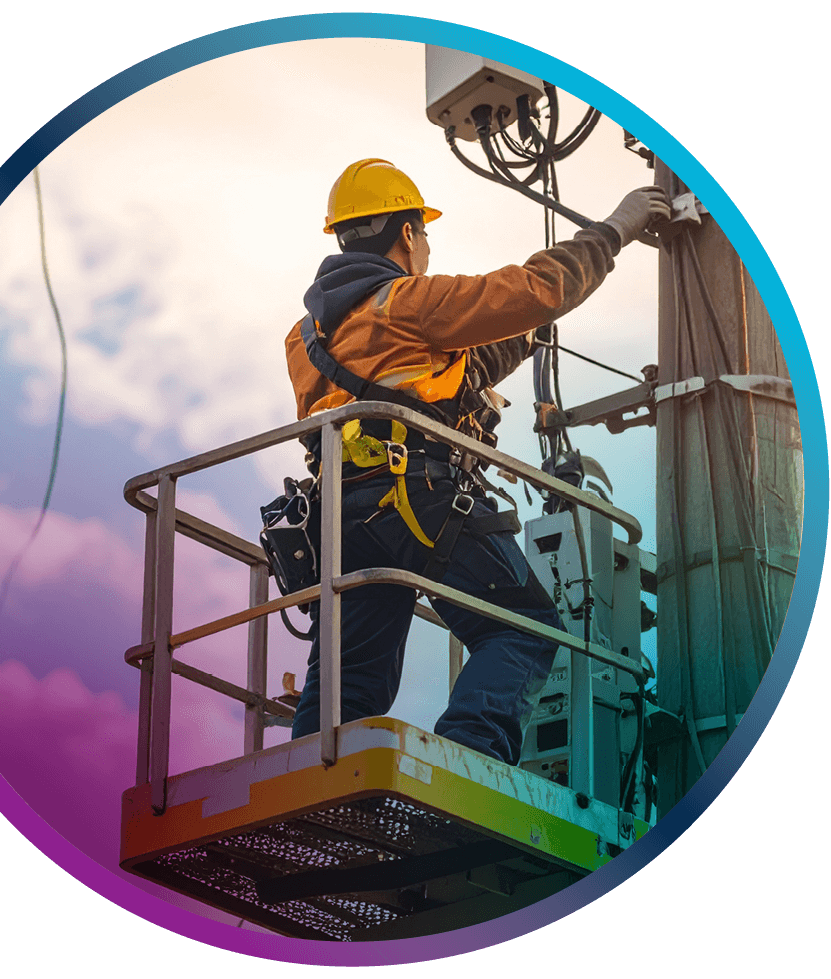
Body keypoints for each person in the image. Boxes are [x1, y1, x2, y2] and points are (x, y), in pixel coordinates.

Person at [283, 158, 669, 765]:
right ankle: (469, 757)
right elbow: (536, 289)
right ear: (406, 233)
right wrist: (616, 228)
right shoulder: (404, 301)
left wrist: (520, 338)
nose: (428, 248)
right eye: (424, 233)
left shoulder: (305, 337)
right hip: (421, 497)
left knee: (350, 679)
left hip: (342, 517)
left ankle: (302, 779)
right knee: (521, 627)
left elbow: (418, 383)